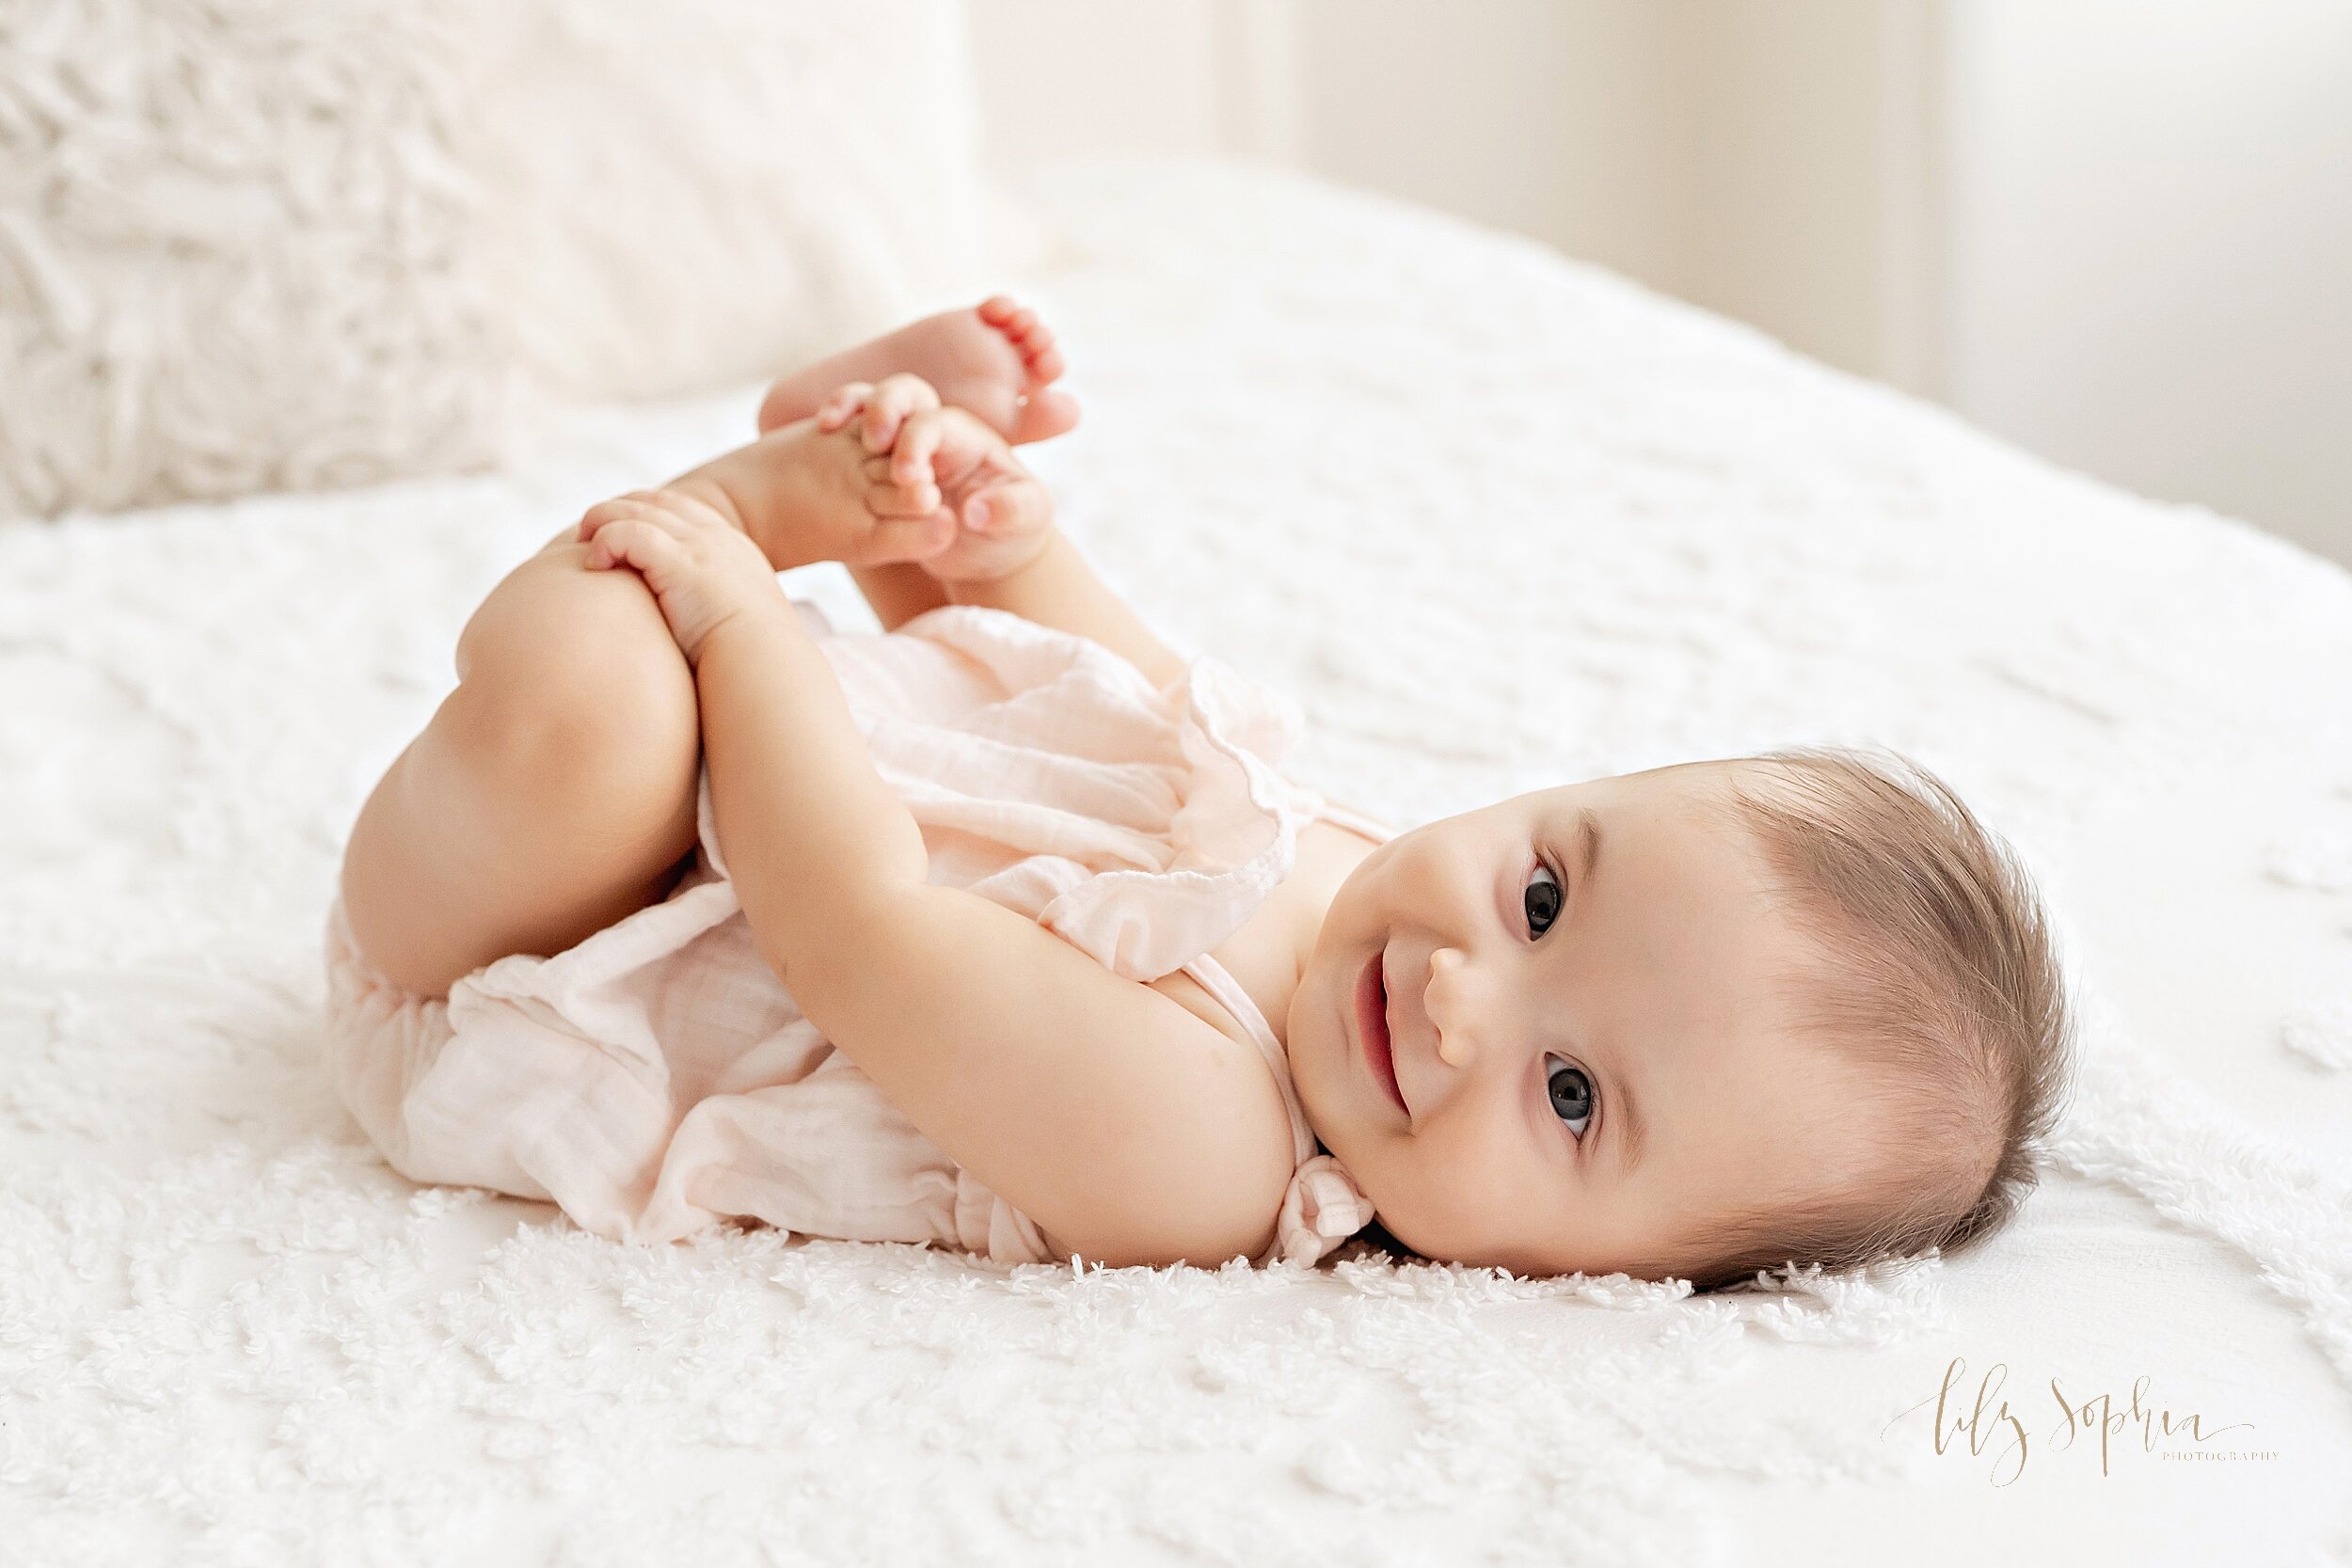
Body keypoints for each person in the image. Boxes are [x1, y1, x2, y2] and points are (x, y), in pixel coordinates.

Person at [324, 299, 2074, 1288]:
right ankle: (833, 484)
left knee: (595, 705)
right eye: (1544, 897)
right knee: (650, 681)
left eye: (1567, 1095)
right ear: (1565, 794)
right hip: (756, 755)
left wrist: (737, 611)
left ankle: (746, 505)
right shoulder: (1349, 872)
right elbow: (1095, 698)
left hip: (526, 961)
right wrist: (986, 534)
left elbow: (856, 925)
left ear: (1609, 1280)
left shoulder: (1201, 1152)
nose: (1464, 995)